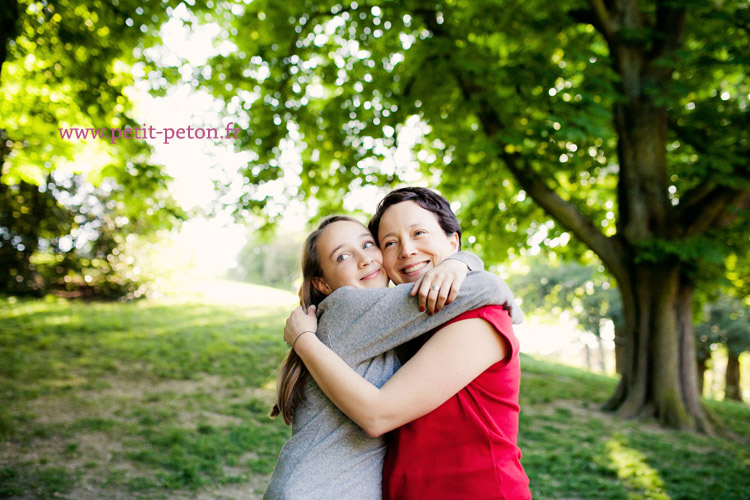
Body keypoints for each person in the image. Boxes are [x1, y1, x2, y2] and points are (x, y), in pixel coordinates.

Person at [286, 187, 531, 499]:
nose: (407, 250)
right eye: (389, 243)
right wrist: (463, 264)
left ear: (452, 241)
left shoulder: (479, 322)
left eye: (419, 233)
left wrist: (461, 262)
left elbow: (379, 414)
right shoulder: (381, 319)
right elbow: (487, 286)